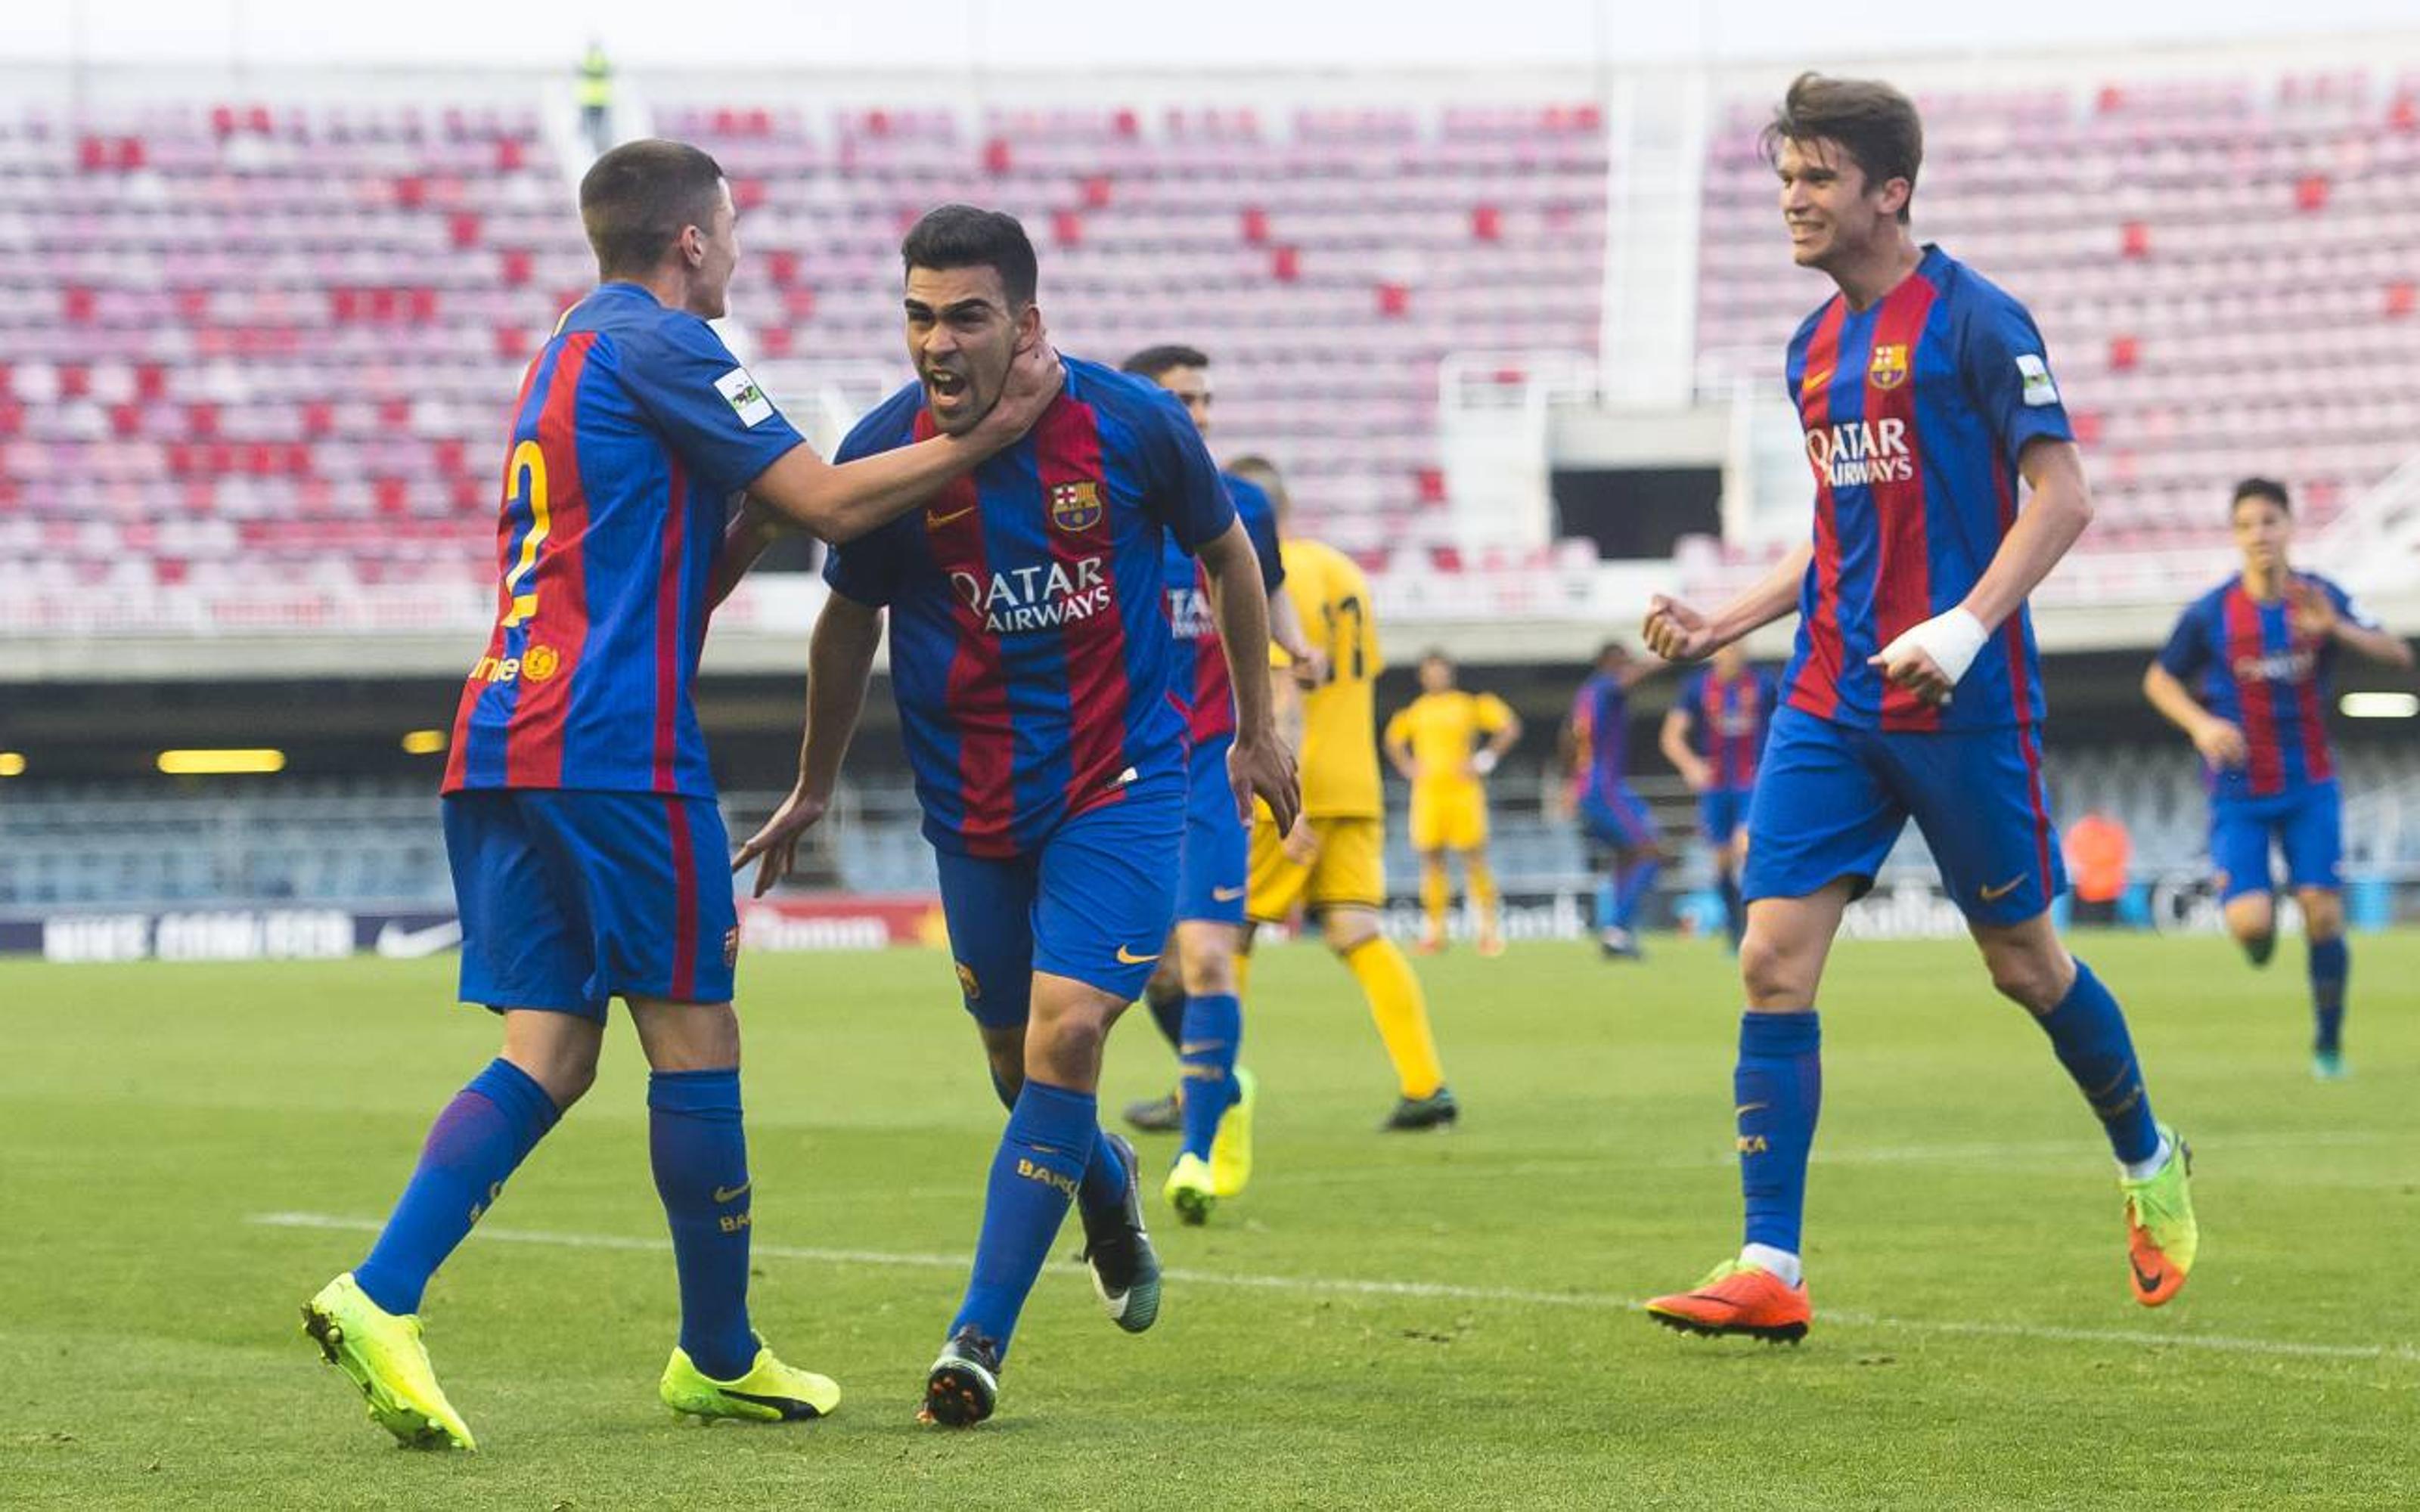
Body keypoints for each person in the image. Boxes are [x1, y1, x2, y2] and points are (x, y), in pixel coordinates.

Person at [300, 141, 1062, 1450]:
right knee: (696, 1039)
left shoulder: (568, 349)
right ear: (693, 242)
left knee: (547, 1047)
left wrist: (748, 523)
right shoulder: (667, 346)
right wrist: (989, 431)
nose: (741, 252)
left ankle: (381, 1295)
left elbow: (675, 580)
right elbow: (829, 498)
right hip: (612, 748)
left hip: (506, 732)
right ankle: (717, 1352)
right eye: (734, 229)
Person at [1637, 73, 2198, 1343]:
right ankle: (1770, 1262)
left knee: (2024, 965)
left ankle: (2149, 1155)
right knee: (1772, 961)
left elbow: (2061, 495)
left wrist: (1964, 625)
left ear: (1889, 192)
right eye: (1785, 177)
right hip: (1831, 697)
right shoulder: (1810, 348)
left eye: (1817, 177)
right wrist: (1729, 620)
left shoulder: (1978, 321)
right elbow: (1842, 531)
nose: (1793, 198)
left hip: (1965, 700)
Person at [730, 206, 1298, 1427]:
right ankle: (1106, 1181)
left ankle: (976, 1340)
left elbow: (1230, 554)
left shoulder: (1132, 424)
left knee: (1072, 1036)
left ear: (1027, 321)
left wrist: (1257, 727)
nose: (938, 342)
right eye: (919, 316)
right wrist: (816, 782)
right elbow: (846, 626)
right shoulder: (885, 451)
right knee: (1014, 1065)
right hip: (974, 806)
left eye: (967, 316)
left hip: (1123, 785)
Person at [1112, 344, 1314, 1222]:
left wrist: (1295, 650)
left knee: (1206, 956)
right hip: (1120, 761)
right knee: (1154, 974)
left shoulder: (1242, 505)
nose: (1193, 413)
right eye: (1174, 398)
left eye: (1201, 397)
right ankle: (1220, 1082)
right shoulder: (1105, 504)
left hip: (1208, 761)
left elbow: (1259, 589)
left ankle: (1197, 1149)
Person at [2142, 477, 2412, 1077]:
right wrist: (2201, 725)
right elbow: (2159, 680)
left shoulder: (2321, 597)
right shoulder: (2213, 612)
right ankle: (2258, 936)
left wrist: (2334, 630)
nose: (2258, 535)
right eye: (2246, 525)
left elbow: (2398, 654)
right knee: (2252, 927)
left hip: (2309, 784)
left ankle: (2328, 1045)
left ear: (2289, 527)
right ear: (2235, 537)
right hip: (2238, 792)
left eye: (2268, 521)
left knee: (2322, 912)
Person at [1221, 457, 1460, 1130]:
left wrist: (1281, 791)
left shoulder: (1274, 573)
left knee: (1224, 934)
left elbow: (1285, 687)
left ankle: (1203, 1088)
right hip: (1357, 782)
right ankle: (1426, 1084)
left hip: (1298, 784)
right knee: (1358, 931)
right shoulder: (1347, 574)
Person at [1385, 653, 1523, 956]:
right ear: (1422, 677)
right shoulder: (1416, 711)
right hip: (1429, 794)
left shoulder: (1467, 704)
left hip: (1463, 791)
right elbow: (1393, 740)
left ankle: (1488, 932)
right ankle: (1435, 933)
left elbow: (1509, 726)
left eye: (1441, 671)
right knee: (1431, 860)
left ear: (1450, 673)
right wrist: (1408, 767)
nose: (1436, 676)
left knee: (1474, 858)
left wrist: (1484, 760)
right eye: (1430, 672)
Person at [1658, 643, 1778, 950]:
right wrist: (1691, 765)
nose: (1732, 655)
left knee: (1746, 847)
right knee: (1722, 863)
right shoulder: (1697, 687)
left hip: (1752, 783)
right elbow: (1671, 736)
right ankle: (1735, 929)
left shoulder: (1763, 684)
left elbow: (1785, 725)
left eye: (1738, 648)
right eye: (1726, 650)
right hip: (1715, 788)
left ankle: (1762, 928)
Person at [1563, 640, 1669, 959]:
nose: (1629, 667)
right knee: (1652, 852)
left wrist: (1569, 782)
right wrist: (1669, 653)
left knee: (1627, 856)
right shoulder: (1606, 687)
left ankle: (1619, 936)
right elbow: (1628, 679)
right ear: (1610, 662)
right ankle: (1617, 928)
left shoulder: (1585, 694)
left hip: (1591, 786)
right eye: (1625, 661)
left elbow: (1566, 737)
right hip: (1604, 787)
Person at [2063, 810, 2132, 928]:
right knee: (2100, 924)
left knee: (2095, 925)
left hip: (2097, 888)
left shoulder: (2083, 832)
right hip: (2099, 888)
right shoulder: (2110, 832)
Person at [578, 41, 615, 157]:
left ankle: (597, 150)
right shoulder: (597, 60)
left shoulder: (590, 60)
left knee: (596, 130)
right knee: (592, 130)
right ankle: (594, 149)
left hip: (596, 100)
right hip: (593, 100)